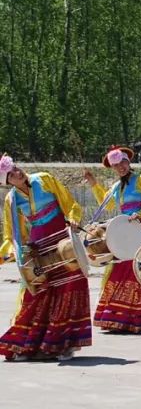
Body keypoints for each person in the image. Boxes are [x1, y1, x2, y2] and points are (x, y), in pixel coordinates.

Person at [0, 155, 91, 361]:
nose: (17, 172)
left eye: (16, 167)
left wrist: (74, 219)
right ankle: (30, 345)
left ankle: (66, 344)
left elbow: (69, 203)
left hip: (63, 243)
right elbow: (12, 234)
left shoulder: (45, 179)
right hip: (39, 248)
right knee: (38, 294)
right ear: (7, 183)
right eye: (11, 173)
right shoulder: (11, 200)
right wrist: (13, 252)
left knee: (70, 289)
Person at [84, 146, 141, 333]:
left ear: (129, 162)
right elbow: (108, 204)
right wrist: (94, 183)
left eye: (123, 163)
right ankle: (116, 317)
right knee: (119, 269)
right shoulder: (116, 187)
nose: (121, 167)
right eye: (116, 165)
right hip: (123, 233)